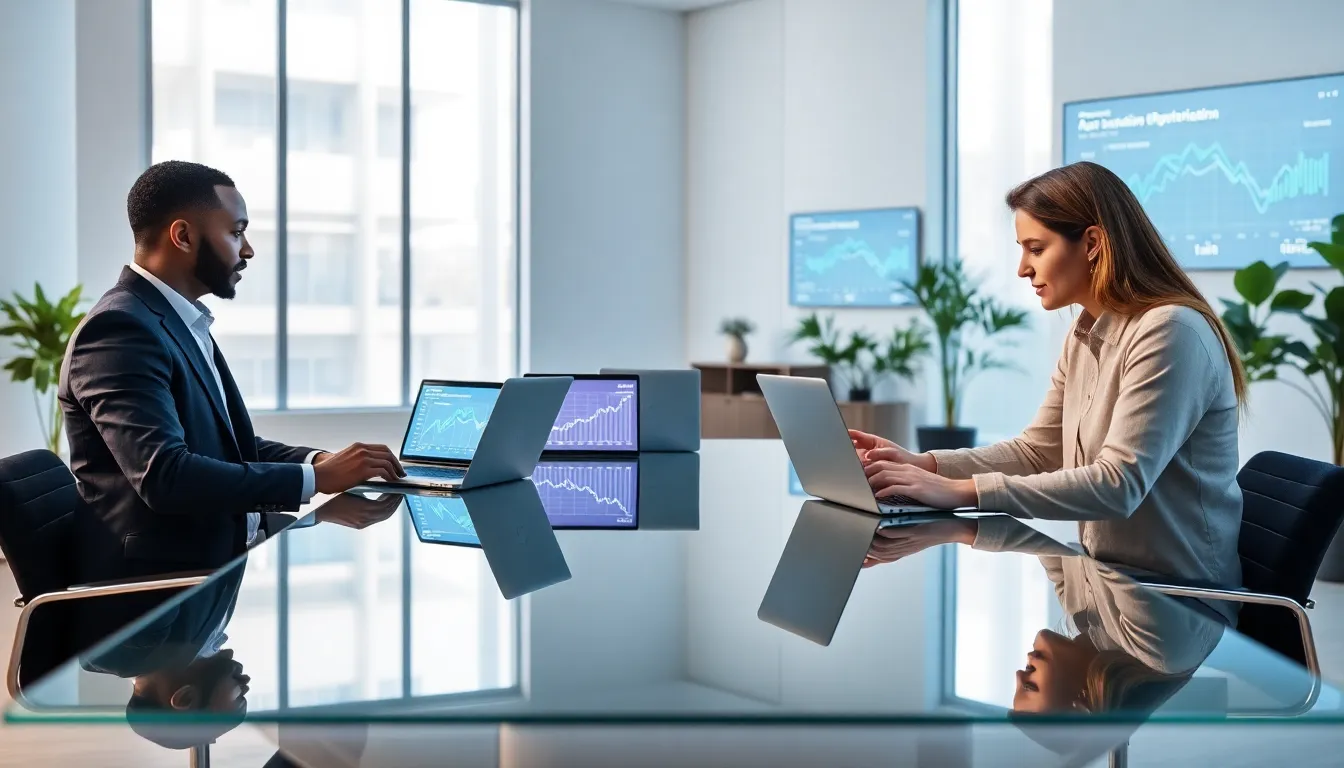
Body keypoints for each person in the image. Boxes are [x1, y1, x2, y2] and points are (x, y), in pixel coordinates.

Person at [851, 160, 1246, 595]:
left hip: (1180, 603)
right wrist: (922, 466)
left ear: (1092, 243)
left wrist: (958, 491)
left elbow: (1119, 484)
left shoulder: (1171, 331)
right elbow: (1038, 452)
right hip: (1111, 587)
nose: (1023, 268)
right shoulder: (1085, 335)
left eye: (1036, 249)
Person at [59, 160, 406, 585]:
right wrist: (316, 479)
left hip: (211, 571)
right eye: (236, 232)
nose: (248, 250)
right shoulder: (119, 329)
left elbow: (229, 447)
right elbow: (166, 476)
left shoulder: (174, 321)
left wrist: (320, 462)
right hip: (154, 603)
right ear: (183, 235)